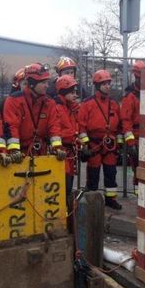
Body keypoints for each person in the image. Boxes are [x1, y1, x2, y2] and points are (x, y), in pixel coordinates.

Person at [77, 70, 123, 210]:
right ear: (97, 85)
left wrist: (119, 145)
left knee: (111, 173)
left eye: (109, 83)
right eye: (104, 83)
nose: (108, 86)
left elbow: (120, 126)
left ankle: (110, 199)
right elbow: (81, 126)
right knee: (93, 173)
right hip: (94, 144)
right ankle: (92, 198)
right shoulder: (87, 104)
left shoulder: (114, 104)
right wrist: (85, 146)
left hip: (110, 145)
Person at [3, 63, 66, 162]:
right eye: (43, 82)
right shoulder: (14, 101)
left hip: (41, 153)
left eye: (47, 82)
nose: (47, 86)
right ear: (32, 83)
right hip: (19, 154)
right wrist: (14, 150)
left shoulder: (49, 103)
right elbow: (11, 126)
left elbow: (54, 126)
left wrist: (57, 147)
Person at [54, 75, 80, 212]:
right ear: (64, 92)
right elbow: (56, 131)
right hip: (61, 152)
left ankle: (65, 212)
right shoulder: (58, 108)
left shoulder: (71, 108)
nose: (75, 95)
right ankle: (61, 212)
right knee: (64, 184)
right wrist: (72, 139)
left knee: (68, 183)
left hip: (69, 152)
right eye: (72, 92)